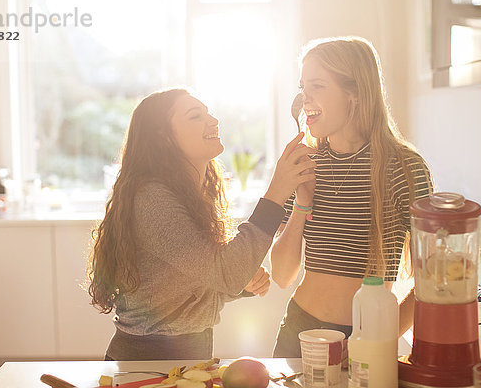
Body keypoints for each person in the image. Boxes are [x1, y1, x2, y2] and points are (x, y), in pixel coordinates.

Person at [87, 88, 316, 360]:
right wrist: (276, 193)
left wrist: (240, 285)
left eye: (208, 112)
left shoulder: (189, 194)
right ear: (163, 137)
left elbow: (198, 281)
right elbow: (224, 272)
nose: (213, 120)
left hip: (183, 356)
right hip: (146, 363)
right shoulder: (153, 199)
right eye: (195, 116)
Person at [271, 37, 434, 357]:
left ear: (355, 94)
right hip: (299, 333)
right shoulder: (305, 164)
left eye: (317, 86)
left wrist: (378, 338)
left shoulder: (404, 168)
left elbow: (429, 281)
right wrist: (302, 203)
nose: (305, 99)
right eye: (303, 87)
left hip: (369, 337)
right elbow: (281, 275)